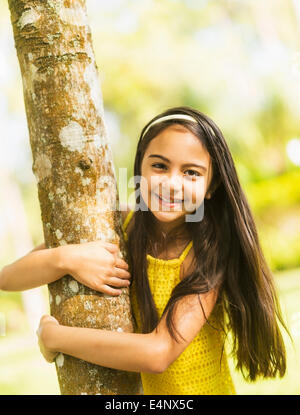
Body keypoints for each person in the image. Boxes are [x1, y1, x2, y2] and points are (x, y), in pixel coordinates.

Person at [1, 106, 289, 395]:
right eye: (160, 166)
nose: (172, 183)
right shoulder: (121, 225)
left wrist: (56, 337)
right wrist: (65, 258)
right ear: (140, 169)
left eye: (191, 172)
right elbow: (8, 278)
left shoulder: (205, 253)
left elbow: (158, 352)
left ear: (211, 185)